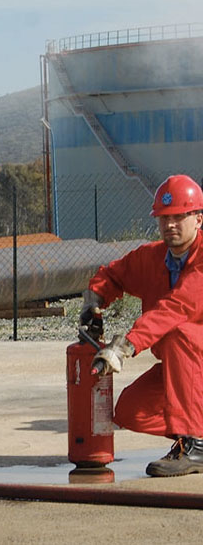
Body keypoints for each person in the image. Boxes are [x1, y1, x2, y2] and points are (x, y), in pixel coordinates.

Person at [80, 174, 203, 477]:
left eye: (178, 217)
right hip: (185, 370)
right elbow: (114, 274)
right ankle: (194, 436)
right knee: (131, 411)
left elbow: (177, 308)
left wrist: (125, 345)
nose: (169, 225)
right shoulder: (152, 258)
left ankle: (195, 445)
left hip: (193, 356)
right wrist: (94, 300)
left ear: (198, 219)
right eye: (163, 218)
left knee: (178, 333)